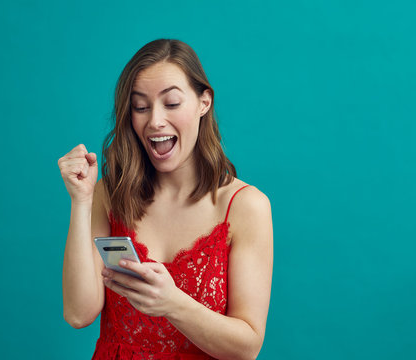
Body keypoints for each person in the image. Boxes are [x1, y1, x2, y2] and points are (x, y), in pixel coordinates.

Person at [57, 38, 273, 360]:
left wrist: (172, 303)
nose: (154, 120)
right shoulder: (111, 193)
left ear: (204, 102)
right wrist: (81, 200)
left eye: (171, 103)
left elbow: (247, 347)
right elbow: (79, 314)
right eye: (140, 107)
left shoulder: (245, 207)